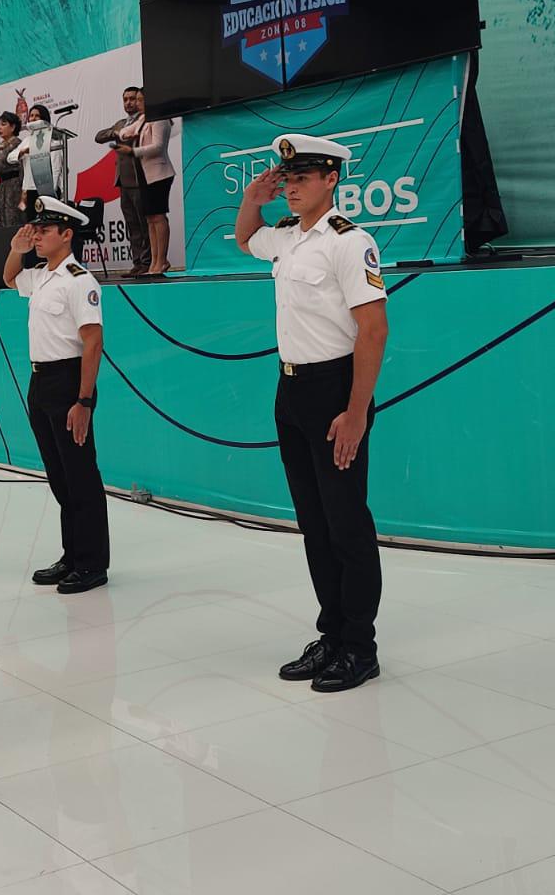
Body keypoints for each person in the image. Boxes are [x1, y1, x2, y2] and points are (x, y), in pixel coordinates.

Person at [235, 133, 389, 693]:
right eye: (287, 178)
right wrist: (254, 197)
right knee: (314, 523)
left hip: (335, 393)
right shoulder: (287, 240)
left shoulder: (349, 242)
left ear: (332, 179)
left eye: (303, 177)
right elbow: (245, 237)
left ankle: (360, 646)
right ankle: (332, 634)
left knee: (346, 522)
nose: (292, 187)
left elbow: (373, 329)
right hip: (292, 391)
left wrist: (356, 412)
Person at [4, 197, 109, 593]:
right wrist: (17, 250)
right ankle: (73, 554)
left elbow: (93, 342)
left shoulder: (79, 280)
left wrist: (83, 402)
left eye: (45, 230)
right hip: (40, 381)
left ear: (67, 234)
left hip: (69, 382)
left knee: (81, 475)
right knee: (60, 477)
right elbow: (10, 278)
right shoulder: (42, 275)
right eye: (37, 229)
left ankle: (92, 563)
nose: (38, 235)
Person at [95, 87, 151, 276]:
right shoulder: (121, 123)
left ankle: (148, 262)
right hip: (123, 181)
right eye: (125, 99)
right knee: (132, 225)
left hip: (140, 177)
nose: (129, 103)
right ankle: (137, 263)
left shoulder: (145, 120)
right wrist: (116, 131)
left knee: (145, 224)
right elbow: (99, 137)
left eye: (133, 99)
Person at [125, 88, 175, 277]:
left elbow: (158, 147)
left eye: (140, 100)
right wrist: (122, 135)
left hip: (160, 173)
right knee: (150, 219)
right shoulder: (141, 120)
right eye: (135, 100)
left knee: (158, 217)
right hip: (145, 173)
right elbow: (125, 131)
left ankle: (161, 260)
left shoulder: (159, 118)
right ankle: (154, 261)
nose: (137, 103)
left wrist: (133, 151)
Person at [0, 112, 24, 230]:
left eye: (3, 124)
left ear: (13, 127)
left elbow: (23, 168)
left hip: (15, 186)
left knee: (13, 218)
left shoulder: (18, 144)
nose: (0, 127)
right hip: (2, 187)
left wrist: (23, 192)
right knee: (2, 219)